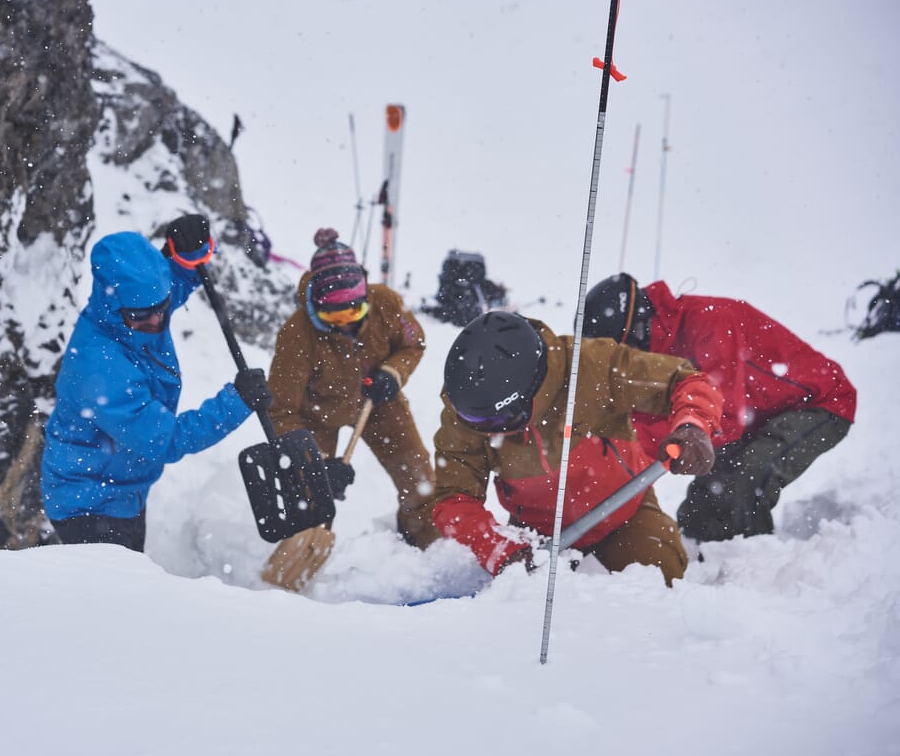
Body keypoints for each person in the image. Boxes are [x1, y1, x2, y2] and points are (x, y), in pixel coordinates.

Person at [414, 311, 723, 586]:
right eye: (472, 420)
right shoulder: (471, 411)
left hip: (624, 511)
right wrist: (499, 549)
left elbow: (684, 381)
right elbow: (452, 497)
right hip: (535, 534)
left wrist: (693, 424)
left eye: (495, 420)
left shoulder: (591, 367)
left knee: (658, 581)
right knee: (521, 613)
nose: (482, 429)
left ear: (528, 393)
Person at [40, 215, 272, 549]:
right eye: (141, 314)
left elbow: (167, 286)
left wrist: (184, 254)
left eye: (160, 308)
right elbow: (166, 440)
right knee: (115, 597)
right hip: (88, 505)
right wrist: (236, 402)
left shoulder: (135, 313)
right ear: (113, 304)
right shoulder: (99, 369)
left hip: (121, 487)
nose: (155, 320)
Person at [583, 273, 856, 542]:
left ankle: (754, 569)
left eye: (621, 352)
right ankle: (698, 561)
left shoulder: (709, 322)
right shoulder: (661, 348)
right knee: (705, 501)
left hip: (821, 403)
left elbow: (725, 418)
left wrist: (633, 442)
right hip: (761, 413)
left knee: (747, 477)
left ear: (635, 333)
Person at [267, 228, 435, 546]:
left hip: (379, 402)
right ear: (316, 303)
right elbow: (280, 410)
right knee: (314, 493)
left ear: (365, 299)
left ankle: (425, 542)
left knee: (419, 478)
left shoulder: (386, 303)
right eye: (334, 314)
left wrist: (392, 373)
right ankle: (305, 556)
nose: (345, 322)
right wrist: (316, 464)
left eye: (353, 311)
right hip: (315, 415)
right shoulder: (297, 333)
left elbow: (414, 344)